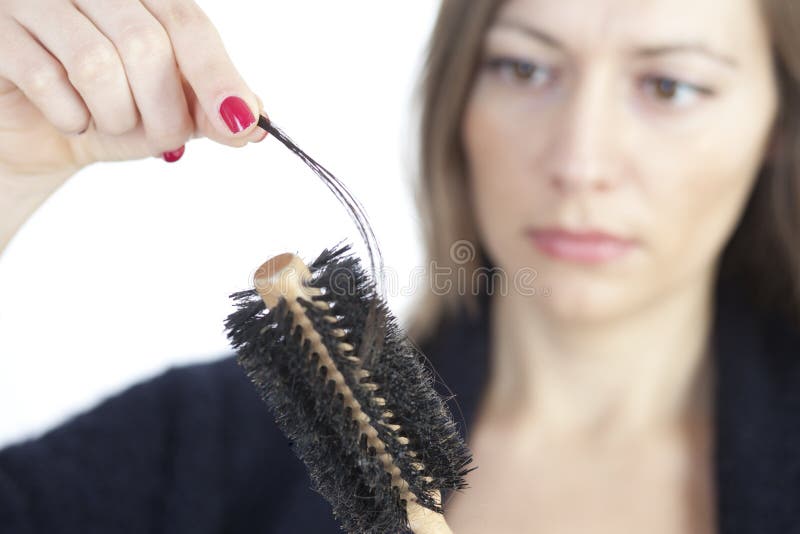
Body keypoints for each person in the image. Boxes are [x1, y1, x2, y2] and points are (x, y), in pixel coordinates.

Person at [0, 0, 798, 532]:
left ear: (779, 120)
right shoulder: (210, 451)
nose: (581, 160)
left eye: (672, 85)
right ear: (458, 102)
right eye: (525, 68)